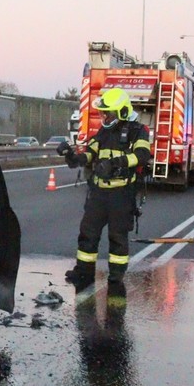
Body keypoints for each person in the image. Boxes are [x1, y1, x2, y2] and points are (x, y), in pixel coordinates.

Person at [58, 88, 151, 285]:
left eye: (107, 112)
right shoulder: (104, 131)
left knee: (117, 237)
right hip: (99, 193)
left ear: (121, 112)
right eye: (103, 112)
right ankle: (83, 272)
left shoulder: (138, 131)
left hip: (121, 194)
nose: (104, 116)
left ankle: (116, 277)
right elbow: (90, 152)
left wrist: (116, 163)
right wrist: (72, 156)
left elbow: (142, 155)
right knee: (87, 233)